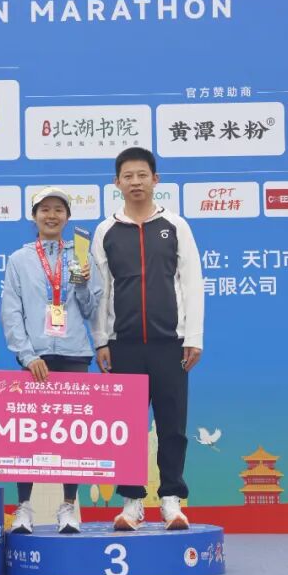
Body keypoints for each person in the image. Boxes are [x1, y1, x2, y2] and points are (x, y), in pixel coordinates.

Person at [91, 147, 204, 531]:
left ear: (155, 179)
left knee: (172, 425)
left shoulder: (175, 226)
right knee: (126, 427)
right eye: (128, 176)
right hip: (123, 345)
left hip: (170, 344)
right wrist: (101, 340)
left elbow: (192, 284)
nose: (135, 182)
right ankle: (132, 503)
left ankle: (171, 500)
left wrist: (193, 337)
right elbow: (101, 290)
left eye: (142, 175)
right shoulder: (106, 231)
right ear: (116, 183)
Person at [1, 187, 102, 534]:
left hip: (75, 354)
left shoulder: (82, 254)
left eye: (59, 209)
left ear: (67, 217)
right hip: (36, 359)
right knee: (28, 435)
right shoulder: (19, 259)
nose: (52, 215)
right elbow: (11, 312)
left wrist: (84, 284)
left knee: (73, 436)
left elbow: (91, 309)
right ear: (34, 217)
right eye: (45, 209)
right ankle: (24, 508)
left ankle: (68, 507)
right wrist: (27, 355)